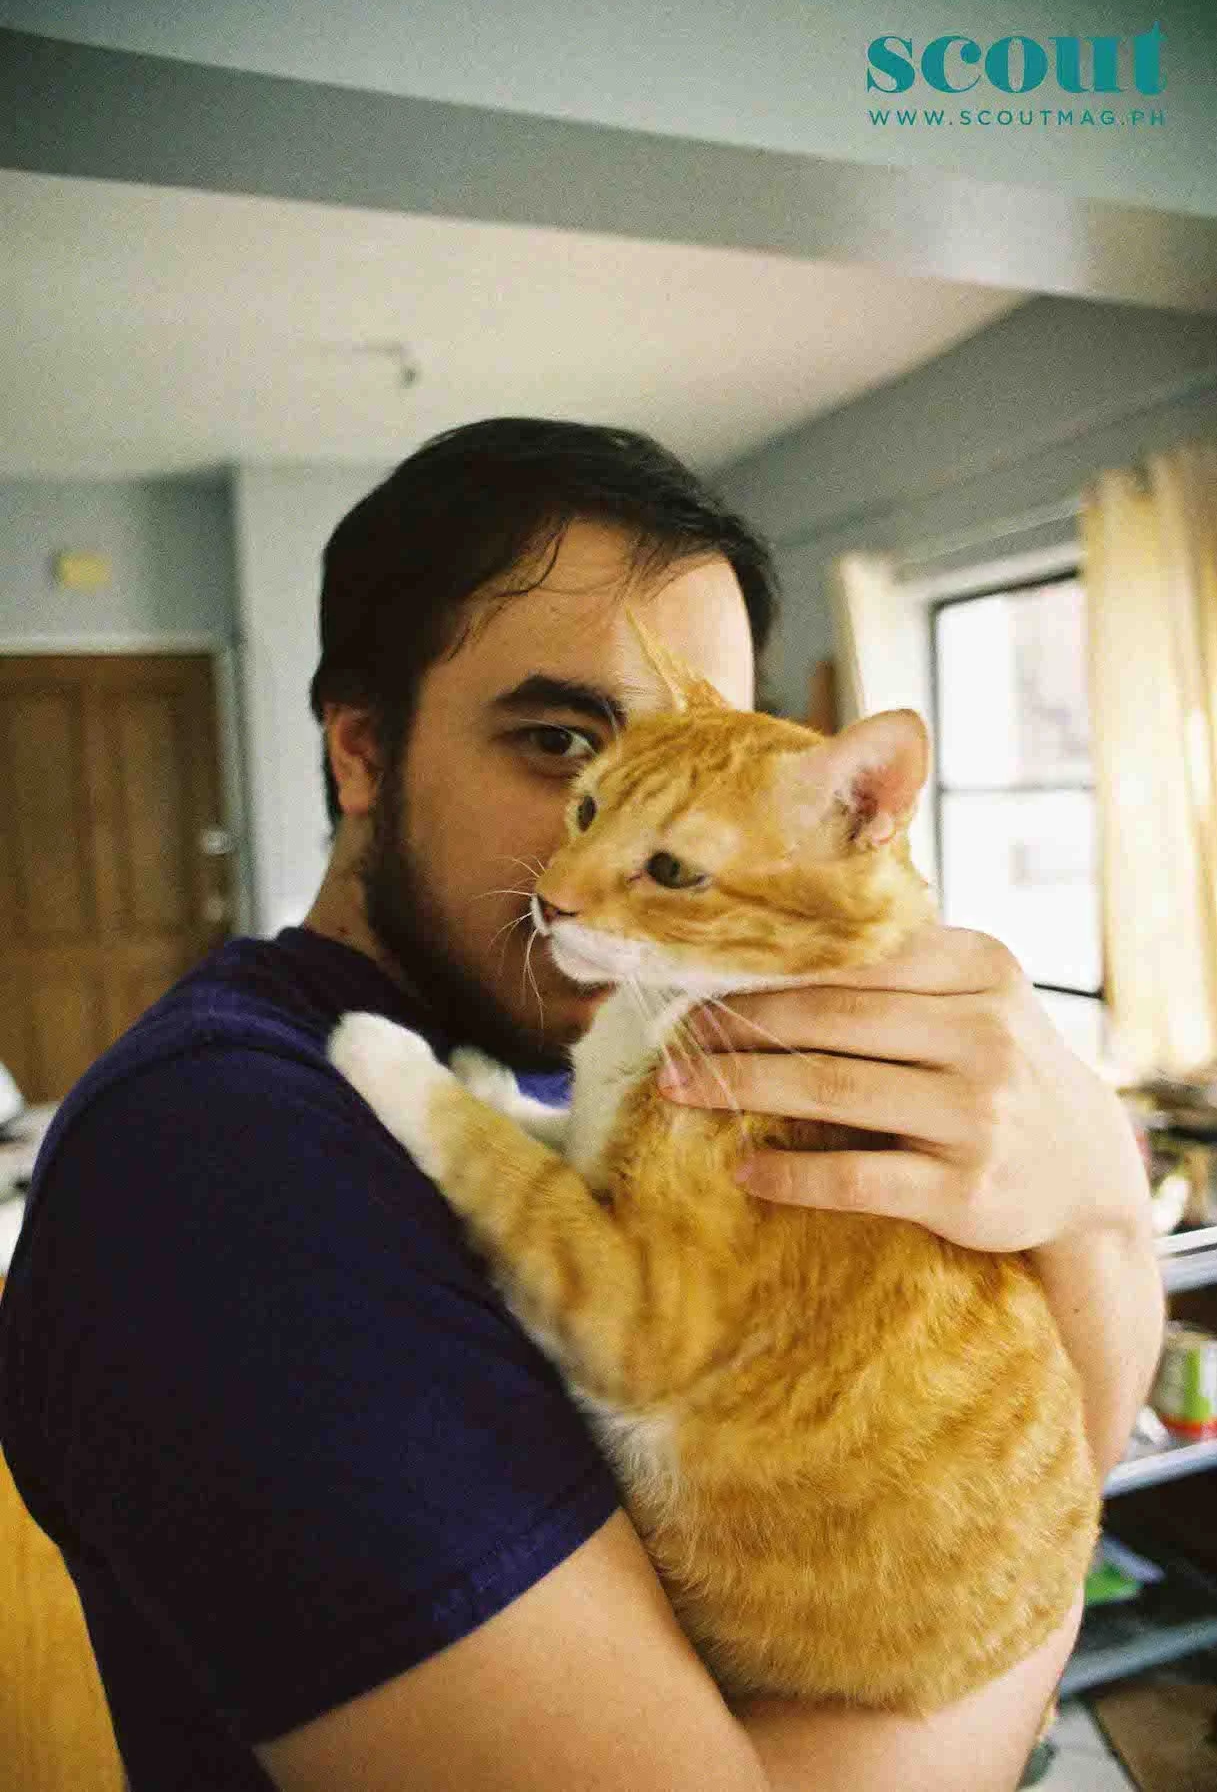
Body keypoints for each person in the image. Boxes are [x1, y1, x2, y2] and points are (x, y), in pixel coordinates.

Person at [0, 419, 1162, 1792]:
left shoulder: (625, 1045)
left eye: (692, 752)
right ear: (362, 753)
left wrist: (1095, 1195)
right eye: (563, 745)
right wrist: (1037, 1606)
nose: (585, 876)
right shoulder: (218, 1163)